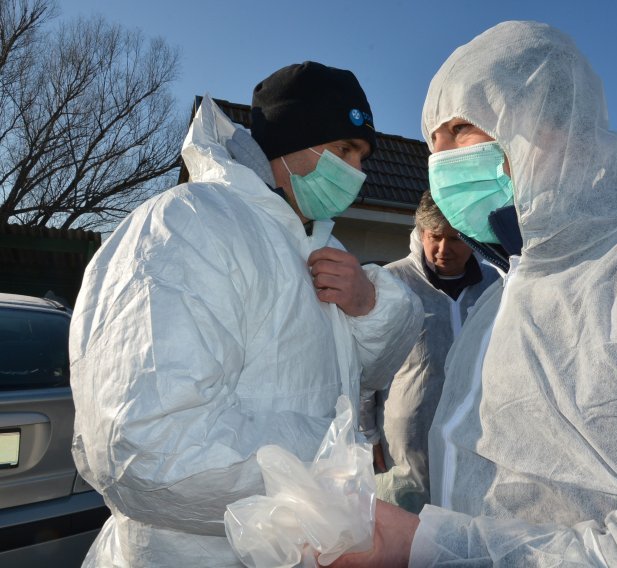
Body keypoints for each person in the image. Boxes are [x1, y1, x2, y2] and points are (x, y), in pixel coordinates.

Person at [330, 21, 617, 567]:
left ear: (556, 122)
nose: (443, 161)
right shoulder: (501, 301)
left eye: (463, 130)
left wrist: (436, 549)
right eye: (434, 141)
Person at [69, 61, 423, 567]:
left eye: (363, 156)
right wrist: (329, 471)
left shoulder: (319, 244)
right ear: (291, 140)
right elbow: (148, 447)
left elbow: (368, 373)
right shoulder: (189, 225)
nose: (358, 172)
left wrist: (368, 304)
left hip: (300, 547)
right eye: (345, 150)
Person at [360, 190, 499, 514]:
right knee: (404, 527)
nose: (444, 249)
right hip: (406, 439)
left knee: (464, 524)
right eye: (434, 237)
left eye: (456, 239)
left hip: (476, 434)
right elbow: (364, 369)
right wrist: (368, 436)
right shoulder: (389, 283)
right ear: (420, 233)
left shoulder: (495, 286)